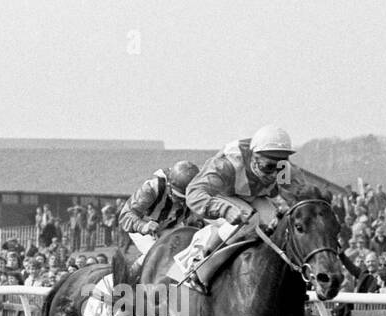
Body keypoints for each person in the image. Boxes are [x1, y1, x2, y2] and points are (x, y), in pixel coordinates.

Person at [169, 125, 302, 293]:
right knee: (249, 219)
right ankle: (198, 264)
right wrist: (224, 209)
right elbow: (194, 194)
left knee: (278, 224)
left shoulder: (281, 166)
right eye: (269, 167)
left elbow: (297, 196)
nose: (275, 174)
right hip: (218, 197)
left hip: (251, 197)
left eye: (281, 166)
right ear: (254, 156)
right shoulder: (227, 164)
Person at [117, 161, 200, 260]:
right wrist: (143, 226)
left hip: (170, 226)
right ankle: (131, 273)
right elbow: (125, 215)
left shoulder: (198, 191)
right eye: (177, 196)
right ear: (169, 185)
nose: (181, 202)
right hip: (144, 226)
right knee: (156, 255)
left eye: (185, 199)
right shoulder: (151, 189)